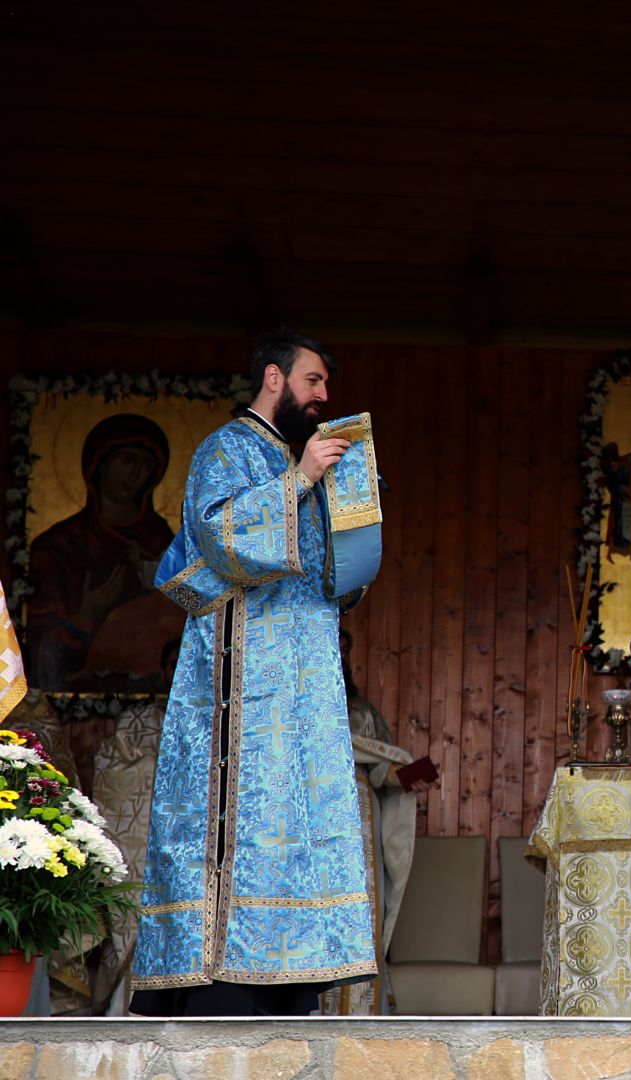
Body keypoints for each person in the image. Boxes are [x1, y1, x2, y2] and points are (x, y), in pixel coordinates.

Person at [129, 329, 377, 1016]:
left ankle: (295, 968)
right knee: (248, 816)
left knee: (301, 815)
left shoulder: (299, 459)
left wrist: (355, 522)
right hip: (243, 685)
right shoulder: (227, 449)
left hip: (305, 681)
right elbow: (222, 537)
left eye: (325, 385)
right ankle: (228, 974)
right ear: (274, 378)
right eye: (313, 381)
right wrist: (301, 481)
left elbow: (330, 574)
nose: (323, 396)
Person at [26, 413, 182, 692]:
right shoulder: (59, 547)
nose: (136, 474)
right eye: (127, 461)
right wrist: (87, 613)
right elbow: (44, 664)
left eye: (145, 466)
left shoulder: (161, 542)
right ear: (99, 465)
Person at [320, 629, 431, 1015]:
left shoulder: (363, 713)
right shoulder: (300, 708)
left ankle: (361, 1012)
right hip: (312, 820)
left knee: (365, 914)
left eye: (347, 649)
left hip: (362, 821)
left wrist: (408, 774)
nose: (343, 656)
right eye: (336, 647)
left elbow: (382, 770)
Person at [89, 638, 181, 1014]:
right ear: (163, 671)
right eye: (171, 664)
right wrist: (156, 773)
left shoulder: (215, 717)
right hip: (144, 835)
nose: (178, 672)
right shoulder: (139, 720)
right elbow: (113, 770)